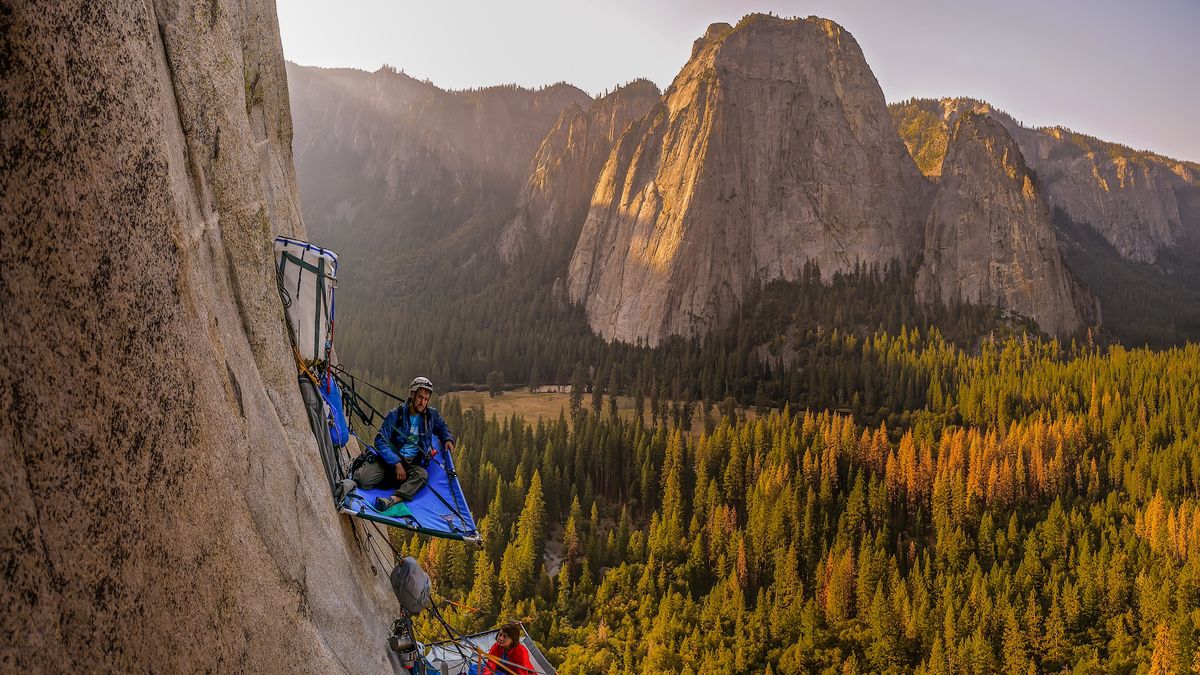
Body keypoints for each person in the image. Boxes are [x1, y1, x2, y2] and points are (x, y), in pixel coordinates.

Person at [352, 376, 456, 511]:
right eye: (420, 397)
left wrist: (447, 439)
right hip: (389, 462)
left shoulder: (431, 415)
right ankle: (369, 467)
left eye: (426, 399)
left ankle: (393, 500)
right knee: (363, 481)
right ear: (412, 395)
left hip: (411, 465)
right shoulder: (396, 414)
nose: (423, 402)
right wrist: (396, 463)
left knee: (422, 475)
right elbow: (380, 440)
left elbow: (442, 427)